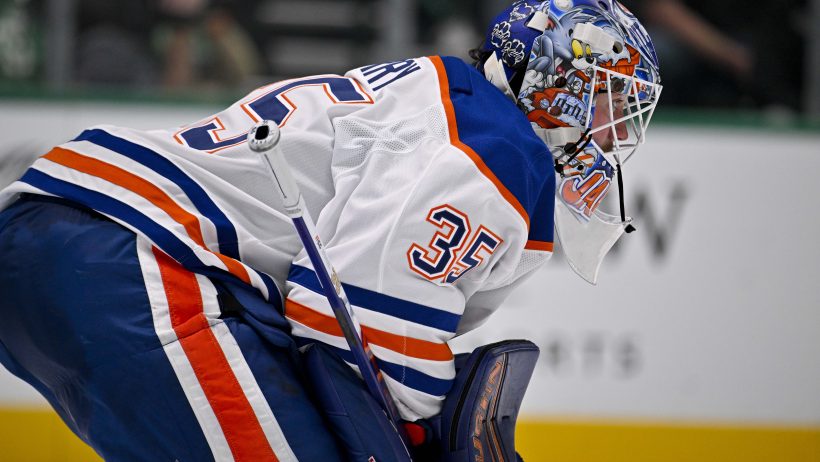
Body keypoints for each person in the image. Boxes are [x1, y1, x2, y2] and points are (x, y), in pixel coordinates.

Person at [0, 1, 661, 460]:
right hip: (128, 255)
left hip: (64, 239)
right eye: (611, 99)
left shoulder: (445, 96)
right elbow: (358, 322)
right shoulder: (499, 146)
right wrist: (432, 428)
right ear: (555, 81)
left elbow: (332, 314)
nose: (616, 132)